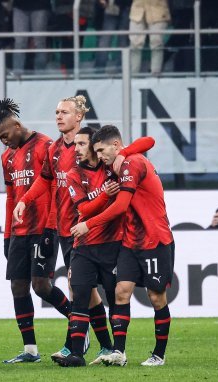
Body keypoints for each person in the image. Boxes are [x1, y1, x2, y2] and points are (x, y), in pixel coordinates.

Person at [71, 124, 174, 367]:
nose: (99, 156)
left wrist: (88, 225)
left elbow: (120, 206)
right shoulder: (117, 163)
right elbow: (143, 142)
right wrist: (121, 154)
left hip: (154, 239)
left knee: (156, 297)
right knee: (121, 291)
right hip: (130, 241)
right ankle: (118, 352)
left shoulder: (133, 163)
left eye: (101, 150)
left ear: (116, 145)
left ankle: (159, 354)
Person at [54, 127, 155, 367]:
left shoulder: (111, 165)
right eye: (74, 144)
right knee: (79, 296)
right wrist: (104, 195)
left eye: (81, 144)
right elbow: (83, 209)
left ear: (94, 146)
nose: (76, 149)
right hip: (84, 245)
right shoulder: (73, 174)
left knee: (114, 298)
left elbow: (149, 141)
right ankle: (76, 354)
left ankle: (117, 351)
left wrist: (123, 153)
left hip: (113, 244)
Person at [13, 95, 101, 360]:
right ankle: (104, 346)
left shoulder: (91, 146)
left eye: (64, 112)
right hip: (65, 230)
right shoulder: (54, 149)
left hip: (88, 227)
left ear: (79, 116)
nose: (59, 116)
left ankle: (78, 345)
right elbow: (44, 179)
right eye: (56, 112)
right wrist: (25, 200)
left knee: (86, 288)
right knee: (86, 290)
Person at [0, 98, 72, 363]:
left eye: (5, 135)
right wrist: (7, 235)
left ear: (16, 125)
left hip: (43, 228)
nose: (4, 141)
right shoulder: (7, 157)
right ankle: (30, 350)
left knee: (41, 286)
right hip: (19, 232)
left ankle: (77, 322)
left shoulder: (45, 146)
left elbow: (54, 187)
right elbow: (10, 198)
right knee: (18, 287)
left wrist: (50, 227)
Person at [128, 0, 171, 75]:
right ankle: (133, 76)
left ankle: (155, 77)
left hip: (158, 12)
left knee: (156, 44)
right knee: (134, 45)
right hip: (137, 12)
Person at [11, 0, 52, 75]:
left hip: (40, 5)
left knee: (39, 42)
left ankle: (40, 75)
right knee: (19, 42)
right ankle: (17, 75)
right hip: (19, 6)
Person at [94, 0, 131, 73]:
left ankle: (120, 71)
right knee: (107, 41)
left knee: (121, 42)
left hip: (125, 7)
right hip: (113, 7)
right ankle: (99, 71)